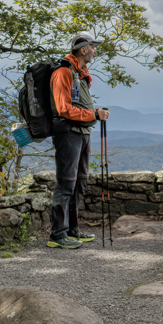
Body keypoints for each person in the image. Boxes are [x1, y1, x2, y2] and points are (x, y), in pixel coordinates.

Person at [47, 33, 111, 249]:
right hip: (68, 134)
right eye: (93, 47)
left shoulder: (79, 74)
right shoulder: (63, 72)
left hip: (82, 133)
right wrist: (94, 116)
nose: (95, 51)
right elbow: (63, 109)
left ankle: (72, 230)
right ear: (83, 49)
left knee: (80, 181)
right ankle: (58, 234)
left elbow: (80, 105)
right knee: (66, 182)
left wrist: (95, 111)